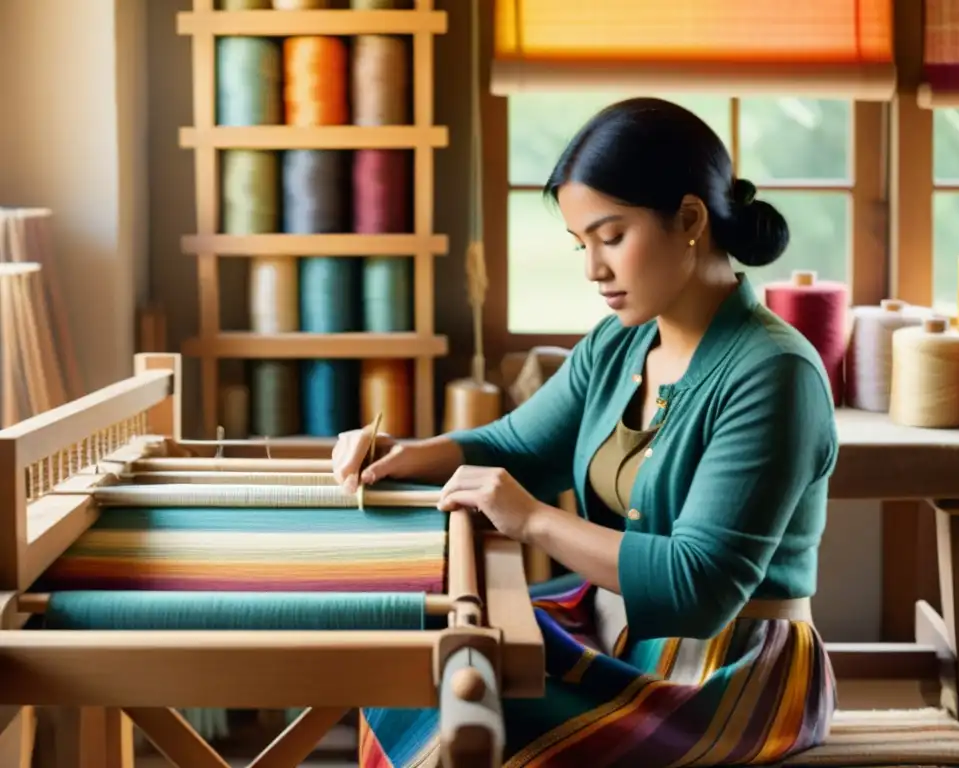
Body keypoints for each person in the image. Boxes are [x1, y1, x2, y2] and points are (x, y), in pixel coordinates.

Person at [333, 97, 838, 767]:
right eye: (582, 244)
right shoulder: (617, 346)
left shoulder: (774, 373)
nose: (593, 270)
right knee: (427, 653)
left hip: (729, 677)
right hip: (621, 632)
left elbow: (697, 588)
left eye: (611, 236)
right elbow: (519, 448)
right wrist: (404, 453)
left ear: (689, 219)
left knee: (466, 705)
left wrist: (534, 521)